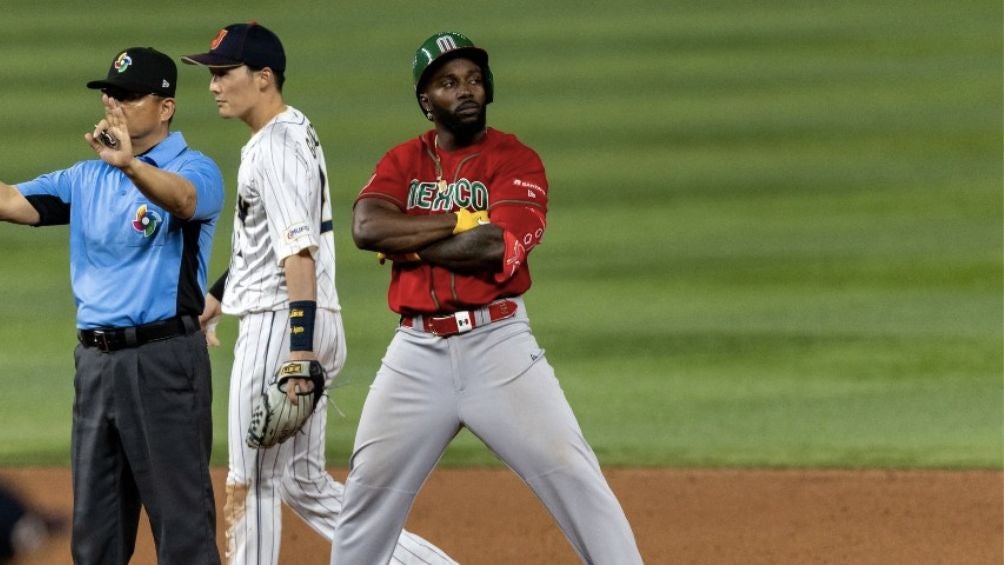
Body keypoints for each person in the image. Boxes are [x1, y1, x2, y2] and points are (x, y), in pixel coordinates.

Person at [330, 31, 645, 564]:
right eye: (449, 82)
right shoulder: (403, 160)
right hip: (415, 354)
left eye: (474, 78)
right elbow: (366, 227)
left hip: (499, 346)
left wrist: (410, 244)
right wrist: (459, 218)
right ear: (426, 101)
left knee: (573, 475)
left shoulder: (514, 159)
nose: (466, 89)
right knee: (367, 495)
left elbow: (495, 244)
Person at [182, 22, 457, 565]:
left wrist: (299, 354)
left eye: (223, 73)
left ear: (263, 78)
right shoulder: (292, 130)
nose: (213, 85)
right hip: (310, 318)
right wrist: (216, 300)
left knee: (249, 482)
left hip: (282, 328)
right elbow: (263, 248)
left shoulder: (273, 151)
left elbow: (296, 255)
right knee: (304, 484)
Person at [0, 47, 224, 564]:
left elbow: (186, 202)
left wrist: (129, 166)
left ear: (165, 107)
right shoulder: (86, 177)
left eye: (127, 94)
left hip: (164, 362)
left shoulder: (195, 168)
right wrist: (115, 166)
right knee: (96, 534)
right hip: (96, 367)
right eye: (108, 92)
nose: (112, 101)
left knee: (182, 529)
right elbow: (12, 201)